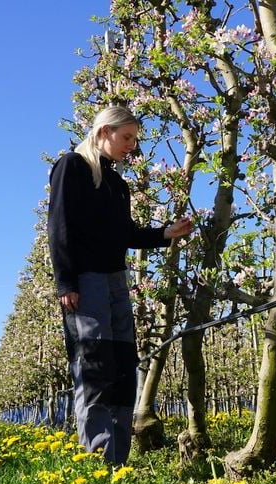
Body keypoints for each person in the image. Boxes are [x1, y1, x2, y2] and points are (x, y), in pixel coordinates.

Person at [47, 106, 193, 465]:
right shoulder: (73, 167)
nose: (131, 146)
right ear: (103, 132)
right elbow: (59, 225)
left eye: (134, 139)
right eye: (126, 137)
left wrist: (164, 234)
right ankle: (98, 466)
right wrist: (66, 281)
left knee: (122, 369)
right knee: (94, 368)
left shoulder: (117, 184)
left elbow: (124, 235)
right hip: (85, 281)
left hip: (115, 282)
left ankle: (118, 463)